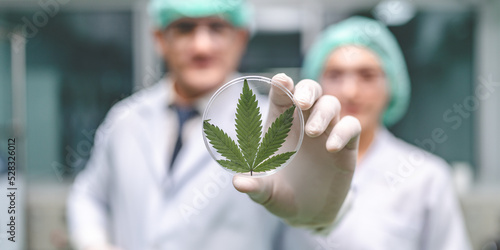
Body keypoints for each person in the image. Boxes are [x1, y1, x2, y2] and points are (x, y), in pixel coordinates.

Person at [66, 0, 361, 249]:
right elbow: (89, 194)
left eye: (217, 28)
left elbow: (321, 230)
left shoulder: (280, 127)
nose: (201, 46)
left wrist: (320, 216)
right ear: (159, 39)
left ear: (241, 37)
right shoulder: (126, 119)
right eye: (184, 28)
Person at [301, 16, 472, 249]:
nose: (350, 92)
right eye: (335, 75)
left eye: (367, 75)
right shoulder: (292, 169)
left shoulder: (426, 178)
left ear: (392, 84)